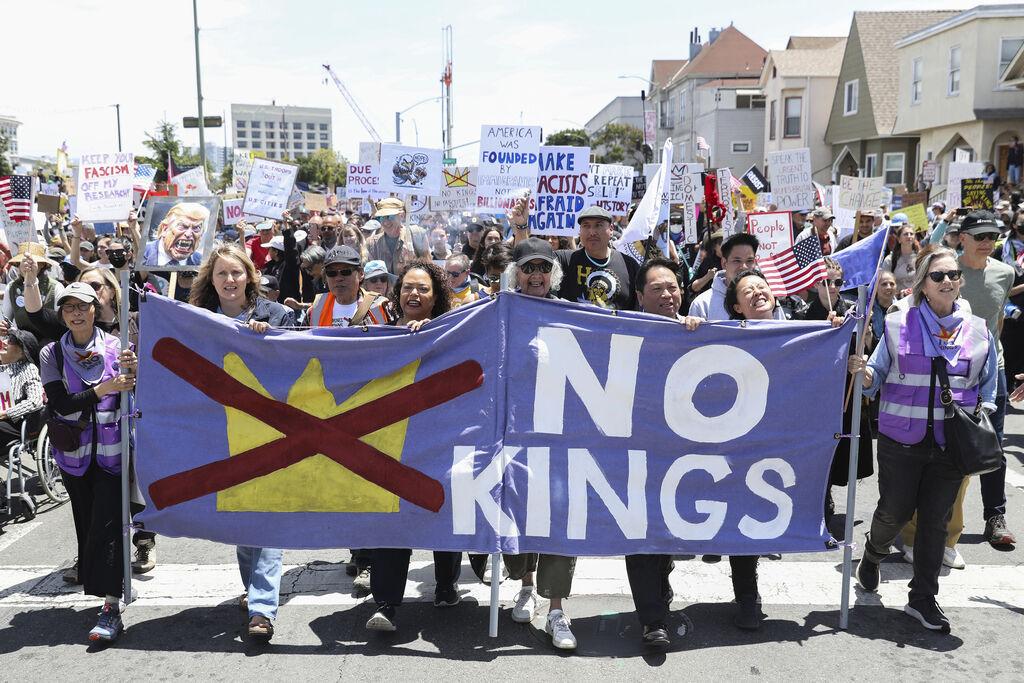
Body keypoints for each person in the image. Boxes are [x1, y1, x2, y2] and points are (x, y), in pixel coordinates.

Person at [850, 245, 997, 634]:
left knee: (935, 522)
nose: (947, 281)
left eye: (953, 275)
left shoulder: (980, 330)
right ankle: (873, 552)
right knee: (894, 512)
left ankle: (923, 598)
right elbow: (873, 381)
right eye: (938, 276)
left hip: (952, 447)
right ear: (922, 285)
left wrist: (979, 420)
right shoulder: (898, 324)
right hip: (901, 441)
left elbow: (988, 389)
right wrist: (861, 373)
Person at [189, 243, 294, 640]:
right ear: (211, 281)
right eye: (221, 274)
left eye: (236, 273)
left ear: (250, 276)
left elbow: (303, 361)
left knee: (268, 519)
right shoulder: (198, 321)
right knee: (242, 519)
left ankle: (263, 609)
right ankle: (255, 592)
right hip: (222, 431)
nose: (230, 280)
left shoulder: (277, 314)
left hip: (273, 431)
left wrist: (274, 339)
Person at [366, 260, 463, 633]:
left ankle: (446, 584)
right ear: (397, 292)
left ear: (435, 296)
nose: (414, 294)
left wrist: (431, 335)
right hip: (393, 443)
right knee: (393, 520)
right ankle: (387, 603)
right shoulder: (381, 333)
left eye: (423, 288)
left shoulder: (452, 332)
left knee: (443, 511)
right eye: (408, 287)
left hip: (439, 439)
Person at [40, 281, 137, 642]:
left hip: (112, 452)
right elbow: (61, 403)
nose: (76, 314)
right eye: (68, 309)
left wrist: (133, 372)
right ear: (63, 315)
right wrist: (103, 389)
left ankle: (111, 606)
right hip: (72, 455)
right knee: (87, 524)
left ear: (96, 309)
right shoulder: (52, 353)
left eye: (82, 307)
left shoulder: (117, 347)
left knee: (108, 526)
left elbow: (134, 392)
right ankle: (105, 588)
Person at [624, 258, 704, 648]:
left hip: (680, 455)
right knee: (639, 533)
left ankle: (661, 582)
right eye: (656, 289)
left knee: (666, 532)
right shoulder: (620, 330)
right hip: (634, 453)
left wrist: (701, 338)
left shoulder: (696, 331)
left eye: (672, 287)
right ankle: (652, 620)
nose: (667, 295)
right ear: (640, 296)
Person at [955, 211, 1016, 545]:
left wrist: (996, 358)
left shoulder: (1005, 273)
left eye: (992, 236)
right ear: (961, 237)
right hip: (950, 371)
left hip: (994, 373)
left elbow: (997, 324)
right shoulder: (944, 271)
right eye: (979, 236)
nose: (986, 243)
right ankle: (937, 517)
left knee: (993, 447)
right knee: (944, 446)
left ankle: (996, 516)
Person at [689, 232, 786, 321]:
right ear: (724, 263)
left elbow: (783, 334)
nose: (744, 267)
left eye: (749, 261)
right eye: (737, 261)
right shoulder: (702, 304)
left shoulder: (764, 299)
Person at [305, 247, 395, 328]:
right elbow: (301, 342)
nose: (338, 278)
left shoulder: (380, 306)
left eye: (345, 272)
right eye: (332, 273)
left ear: (361, 274)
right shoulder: (316, 309)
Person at [3, 243, 66, 343]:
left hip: (51, 345)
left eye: (32, 262)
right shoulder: (11, 287)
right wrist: (3, 327)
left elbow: (64, 321)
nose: (27, 265)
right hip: (23, 345)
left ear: (42, 265)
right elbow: (6, 319)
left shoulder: (56, 287)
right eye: (22, 262)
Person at [0, 329, 44, 457]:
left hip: (14, 422)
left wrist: (6, 414)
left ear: (22, 352)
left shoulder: (28, 369)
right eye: (6, 338)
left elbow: (35, 401)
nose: (5, 341)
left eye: (12, 340)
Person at [365, 197, 430, 276]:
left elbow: (429, 270)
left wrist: (413, 261)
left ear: (401, 215)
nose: (385, 222)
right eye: (381, 217)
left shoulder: (417, 235)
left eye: (389, 216)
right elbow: (370, 276)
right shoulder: (372, 244)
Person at [142, 202, 209, 267]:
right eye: (182, 226)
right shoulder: (142, 254)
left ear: (201, 236)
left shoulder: (203, 264)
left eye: (196, 228)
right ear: (165, 229)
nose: (188, 234)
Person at [883, 221, 920, 294]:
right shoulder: (890, 260)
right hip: (897, 299)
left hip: (916, 299)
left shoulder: (920, 257)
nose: (909, 236)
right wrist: (900, 293)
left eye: (911, 234)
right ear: (899, 239)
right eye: (906, 234)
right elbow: (884, 282)